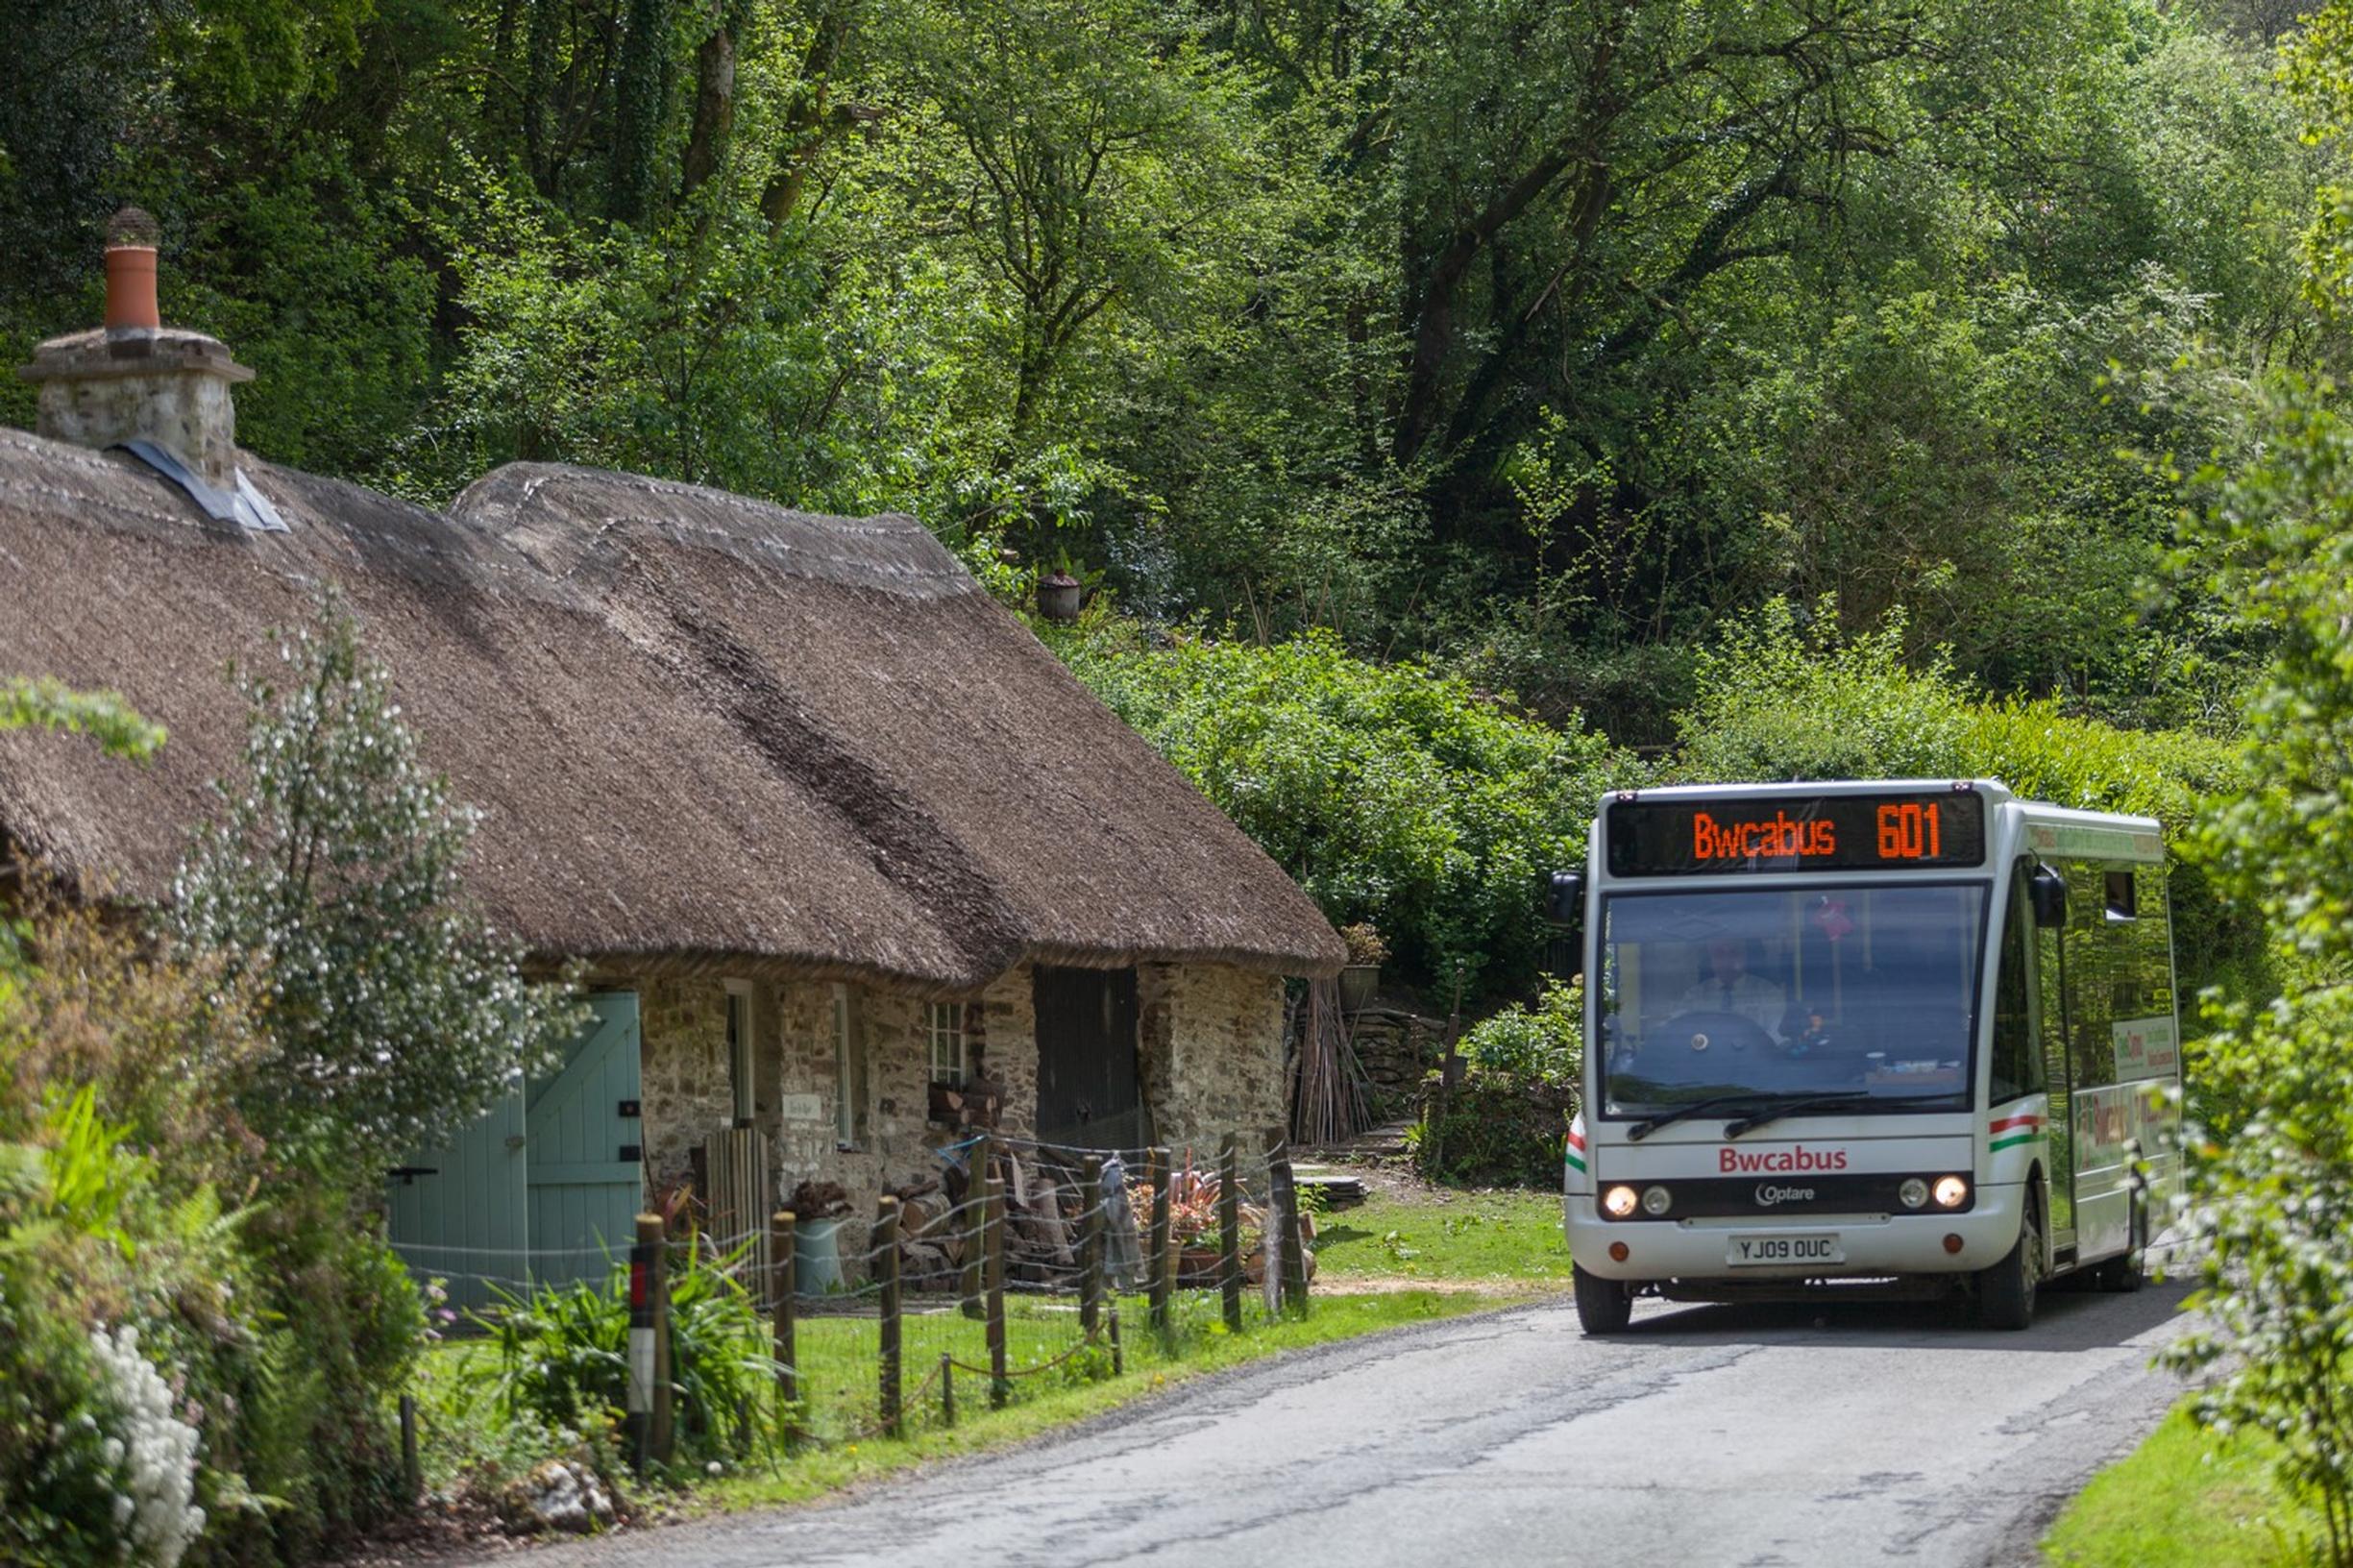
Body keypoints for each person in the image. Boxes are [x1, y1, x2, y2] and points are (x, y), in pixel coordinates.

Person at [1671, 937, 1786, 1042]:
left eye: (1734, 953)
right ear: (1710, 960)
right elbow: (1677, 1033)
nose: (1727, 960)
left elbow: (1776, 1038)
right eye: (1719, 954)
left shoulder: (1768, 993)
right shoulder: (1695, 996)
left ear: (1745, 957)